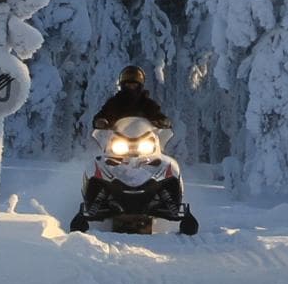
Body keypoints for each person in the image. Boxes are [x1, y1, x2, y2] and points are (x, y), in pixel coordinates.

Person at [69, 68, 199, 235]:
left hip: (145, 151)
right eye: (128, 83)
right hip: (117, 151)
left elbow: (157, 114)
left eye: (134, 83)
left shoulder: (147, 103)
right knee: (96, 166)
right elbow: (102, 115)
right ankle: (92, 208)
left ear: (140, 85)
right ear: (122, 85)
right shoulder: (114, 102)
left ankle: (173, 208)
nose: (131, 87)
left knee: (169, 166)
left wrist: (162, 121)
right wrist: (101, 121)